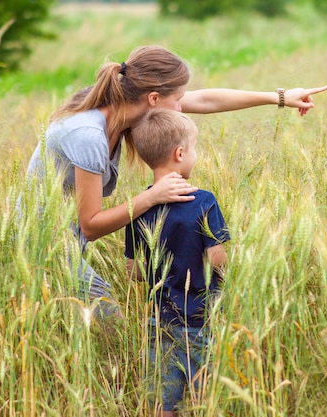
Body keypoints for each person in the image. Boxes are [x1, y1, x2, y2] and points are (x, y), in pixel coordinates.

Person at [23, 44, 327, 318]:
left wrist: (281, 97)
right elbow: (90, 224)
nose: (182, 107)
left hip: (65, 241)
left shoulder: (127, 106)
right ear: (153, 98)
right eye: (178, 100)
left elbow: (207, 99)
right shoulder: (88, 135)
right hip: (38, 245)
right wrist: (152, 196)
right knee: (110, 320)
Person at [125, 108, 228, 416]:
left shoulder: (138, 207)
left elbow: (134, 272)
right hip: (201, 320)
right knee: (201, 400)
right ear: (180, 153)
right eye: (194, 148)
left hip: (159, 323)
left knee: (163, 402)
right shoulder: (204, 200)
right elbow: (216, 257)